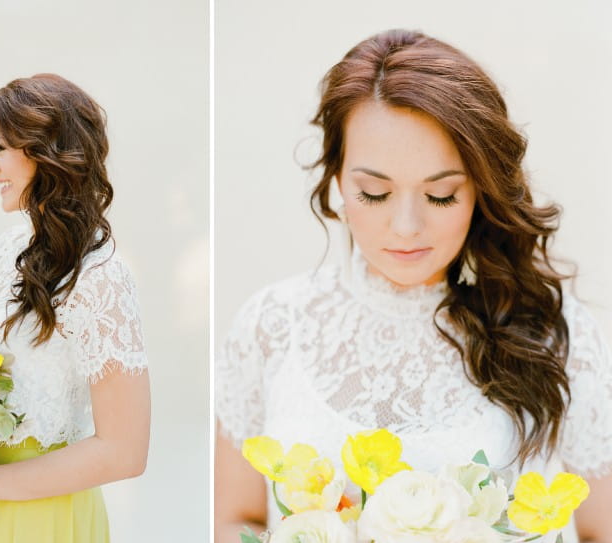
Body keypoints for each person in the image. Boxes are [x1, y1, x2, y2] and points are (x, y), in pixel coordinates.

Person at [214, 29, 611, 542]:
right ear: (337, 180)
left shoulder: (558, 335)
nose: (406, 226)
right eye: (374, 192)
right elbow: (233, 519)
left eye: (441, 195)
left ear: (480, 192)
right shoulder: (272, 324)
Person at [0, 73, 151, 543]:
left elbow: (125, 451)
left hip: (41, 516)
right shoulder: (13, 247)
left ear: (45, 152)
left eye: (0, 148)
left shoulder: (101, 275)